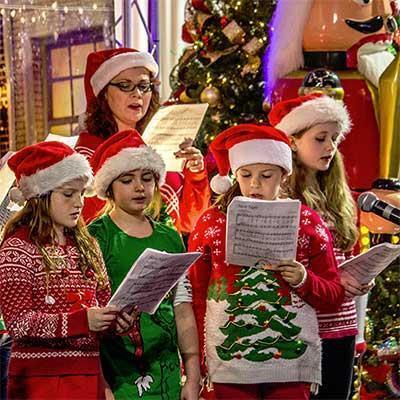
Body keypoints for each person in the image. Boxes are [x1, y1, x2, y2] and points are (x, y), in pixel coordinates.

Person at [188, 123, 345, 400]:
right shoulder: (211, 224)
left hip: (290, 362)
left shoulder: (307, 222)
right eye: (245, 174)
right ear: (234, 174)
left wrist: (304, 280)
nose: (255, 184)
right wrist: (197, 363)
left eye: (266, 175)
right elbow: (197, 296)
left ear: (284, 175)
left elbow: (334, 294)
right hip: (228, 360)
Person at [0, 141, 134, 400]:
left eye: (81, 193)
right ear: (40, 196)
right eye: (68, 194)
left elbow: (101, 304)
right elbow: (18, 323)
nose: (79, 203)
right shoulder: (17, 248)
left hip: (88, 375)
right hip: (40, 381)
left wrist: (114, 322)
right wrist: (82, 321)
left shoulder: (87, 246)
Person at [269, 94, 372, 399]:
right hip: (301, 328)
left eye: (334, 139)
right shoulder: (281, 197)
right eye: (320, 138)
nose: (330, 147)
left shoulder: (338, 196)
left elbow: (348, 254)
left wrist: (360, 278)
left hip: (342, 326)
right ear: (292, 141)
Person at [88, 129, 201, 399]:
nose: (139, 187)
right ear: (109, 187)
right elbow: (87, 310)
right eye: (127, 180)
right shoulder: (96, 236)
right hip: (118, 375)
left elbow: (182, 307)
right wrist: (102, 386)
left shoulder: (169, 237)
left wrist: (193, 374)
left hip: (166, 373)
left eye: (147, 178)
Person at [75, 47, 210, 232]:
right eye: (125, 85)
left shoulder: (162, 143)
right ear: (104, 93)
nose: (137, 93)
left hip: (168, 246)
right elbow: (87, 224)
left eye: (143, 85)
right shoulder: (87, 152)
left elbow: (191, 222)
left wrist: (196, 173)